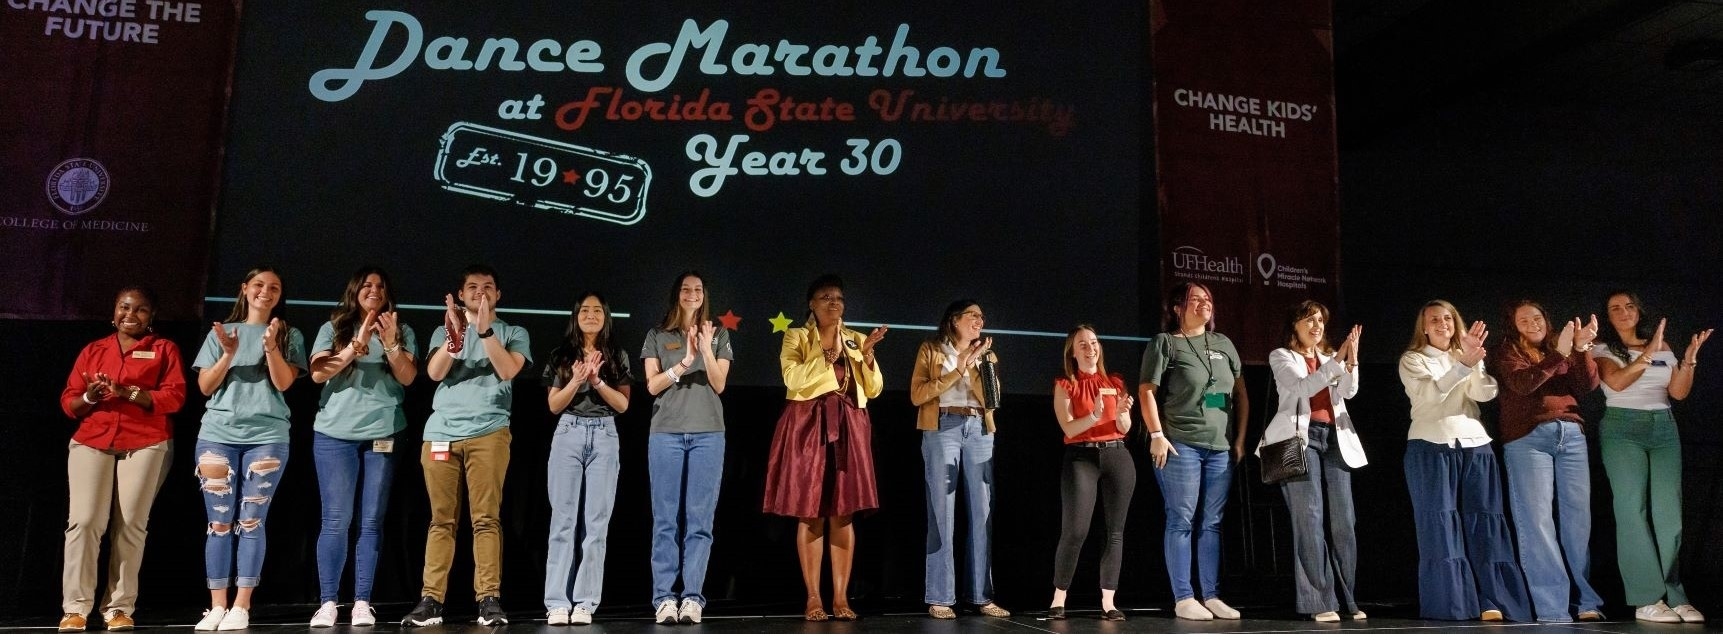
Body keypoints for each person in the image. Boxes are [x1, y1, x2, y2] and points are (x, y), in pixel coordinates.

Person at [401, 264, 531, 627]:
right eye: (472, 287)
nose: (480, 292)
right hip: (442, 432)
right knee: (441, 520)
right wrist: (454, 339)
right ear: (460, 295)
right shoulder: (445, 330)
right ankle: (431, 600)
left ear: (498, 294)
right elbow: (435, 373)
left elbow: (507, 370)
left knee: (486, 519)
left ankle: (488, 599)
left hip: (489, 432)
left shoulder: (512, 331)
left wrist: (484, 330)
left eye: (488, 286)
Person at [56, 286, 187, 633]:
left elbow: (174, 397)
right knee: (84, 522)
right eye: (124, 308)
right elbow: (70, 403)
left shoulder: (163, 349)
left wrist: (127, 392)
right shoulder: (94, 350)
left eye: (141, 310)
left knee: (130, 525)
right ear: (113, 312)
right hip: (93, 439)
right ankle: (76, 608)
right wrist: (91, 395)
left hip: (146, 441)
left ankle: (117, 607)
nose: (131, 315)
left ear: (152, 316)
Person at [763, 274, 887, 622]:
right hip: (807, 425)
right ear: (811, 304)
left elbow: (874, 389)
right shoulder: (797, 336)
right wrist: (826, 355)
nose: (835, 303)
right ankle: (813, 597)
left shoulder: (856, 339)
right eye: (826, 297)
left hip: (849, 426)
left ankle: (841, 596)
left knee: (843, 512)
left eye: (839, 298)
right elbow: (793, 379)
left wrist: (865, 358)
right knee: (811, 509)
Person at [190, 267, 307, 631]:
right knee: (219, 522)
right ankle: (217, 606)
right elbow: (206, 387)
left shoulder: (288, 333)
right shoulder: (223, 332)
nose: (265, 292)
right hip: (217, 435)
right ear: (245, 289)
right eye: (259, 285)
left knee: (252, 521)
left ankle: (242, 605)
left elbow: (284, 382)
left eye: (274, 287)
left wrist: (270, 346)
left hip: (267, 436)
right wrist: (228, 354)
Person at [1398, 300, 1530, 622]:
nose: (1442, 323)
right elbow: (1431, 396)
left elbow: (1485, 395)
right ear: (1424, 327)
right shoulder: (1412, 359)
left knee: (1485, 524)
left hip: (1475, 443)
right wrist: (1462, 365)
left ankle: (1492, 601)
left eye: (1448, 318)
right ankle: (1453, 605)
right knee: (1440, 525)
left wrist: (1471, 363)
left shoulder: (1466, 355)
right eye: (1434, 319)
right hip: (1431, 445)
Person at [306, 267, 418, 628]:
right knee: (336, 520)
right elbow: (319, 374)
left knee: (371, 521)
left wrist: (389, 343)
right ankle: (327, 601)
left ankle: (362, 601)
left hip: (383, 433)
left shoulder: (401, 330)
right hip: (334, 434)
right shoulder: (333, 327)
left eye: (381, 286)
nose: (374, 290)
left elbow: (408, 376)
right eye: (367, 285)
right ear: (355, 291)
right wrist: (353, 349)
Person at [1593, 291, 1711, 623]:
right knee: (1632, 510)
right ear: (1608, 316)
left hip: (1663, 427)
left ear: (1639, 311)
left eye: (1629, 306)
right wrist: (1647, 353)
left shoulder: (1663, 346)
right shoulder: (1602, 349)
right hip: (1622, 428)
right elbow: (1615, 382)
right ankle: (1646, 598)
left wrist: (1688, 360)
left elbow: (1678, 392)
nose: (1623, 311)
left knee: (1669, 514)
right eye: (1615, 308)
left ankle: (1675, 595)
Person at [1138, 282, 1247, 621]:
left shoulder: (1224, 343)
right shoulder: (1166, 343)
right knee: (1181, 519)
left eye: (1208, 298)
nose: (1204, 303)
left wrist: (1239, 440)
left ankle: (1211, 595)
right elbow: (1146, 391)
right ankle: (1184, 597)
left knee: (1212, 523)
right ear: (1177, 308)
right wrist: (1156, 434)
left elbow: (1240, 395)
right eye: (1195, 299)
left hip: (1220, 449)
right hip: (1181, 444)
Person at [1489, 301, 1604, 622]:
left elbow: (1588, 385)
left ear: (1546, 319)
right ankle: (1553, 608)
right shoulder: (1506, 352)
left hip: (1571, 434)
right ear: (1514, 325)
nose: (1532, 323)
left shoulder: (1562, 348)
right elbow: (1523, 384)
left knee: (1577, 522)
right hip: (1528, 439)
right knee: (1537, 522)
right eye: (1523, 319)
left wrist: (1580, 350)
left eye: (1537, 317)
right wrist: (1561, 354)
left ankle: (1585, 602)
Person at [1259, 301, 1365, 622]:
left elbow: (1349, 391)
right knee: (1309, 519)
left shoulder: (1326, 358)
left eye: (1320, 320)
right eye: (1309, 320)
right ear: (1295, 325)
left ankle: (1347, 599)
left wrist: (1352, 360)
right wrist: (1336, 360)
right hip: (1300, 441)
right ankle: (1319, 601)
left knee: (1344, 522)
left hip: (1335, 437)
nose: (1316, 325)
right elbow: (1303, 387)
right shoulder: (1282, 356)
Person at [640, 271, 733, 625]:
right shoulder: (658, 335)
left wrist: (705, 349)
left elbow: (720, 383)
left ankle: (692, 596)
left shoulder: (719, 333)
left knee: (699, 521)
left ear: (703, 295)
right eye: (685, 289)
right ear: (677, 295)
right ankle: (664, 597)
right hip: (666, 434)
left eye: (697, 289)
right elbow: (651, 386)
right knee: (665, 520)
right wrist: (683, 361)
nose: (692, 293)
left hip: (709, 434)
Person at [910, 300, 1010, 619]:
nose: (979, 320)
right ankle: (940, 596)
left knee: (983, 511)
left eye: (982, 316)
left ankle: (981, 595)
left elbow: (994, 400)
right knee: (943, 512)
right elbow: (918, 395)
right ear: (954, 320)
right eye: (973, 316)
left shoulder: (987, 354)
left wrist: (982, 365)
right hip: (943, 426)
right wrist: (960, 367)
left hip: (980, 426)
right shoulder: (931, 349)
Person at [541, 292, 632, 626]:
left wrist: (597, 381)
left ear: (606, 317)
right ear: (575, 316)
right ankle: (556, 601)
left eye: (597, 310)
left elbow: (622, 405)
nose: (591, 315)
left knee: (596, 523)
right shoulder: (562, 355)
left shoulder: (615, 354)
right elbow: (553, 405)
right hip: (569, 432)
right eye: (585, 310)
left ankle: (585, 602)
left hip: (605, 434)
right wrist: (578, 380)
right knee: (563, 521)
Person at [1047, 325, 1136, 621]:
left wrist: (1123, 413)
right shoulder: (1065, 384)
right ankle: (1058, 599)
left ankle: (1109, 602)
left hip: (1117, 455)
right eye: (1083, 344)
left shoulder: (1115, 381)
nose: (1090, 348)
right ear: (1072, 352)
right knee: (1076, 530)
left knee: (1115, 532)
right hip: (1081, 456)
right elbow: (1069, 427)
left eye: (1094, 342)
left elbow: (1124, 428)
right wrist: (1096, 414)